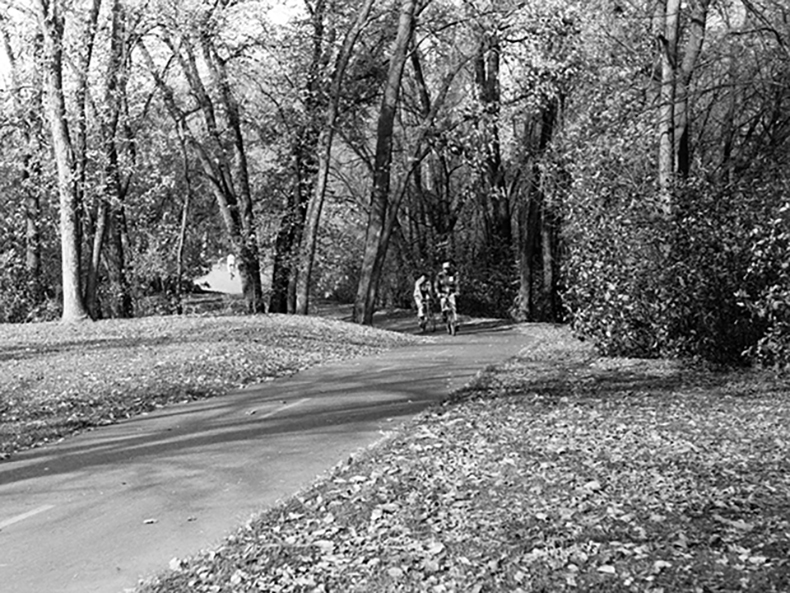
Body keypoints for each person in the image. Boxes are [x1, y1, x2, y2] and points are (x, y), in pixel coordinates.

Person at [435, 260, 459, 333]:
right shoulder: (439, 276)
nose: (447, 270)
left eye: (448, 268)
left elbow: (457, 284)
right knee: (443, 305)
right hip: (443, 293)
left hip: (451, 293)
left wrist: (457, 292)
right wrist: (438, 293)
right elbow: (436, 286)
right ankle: (445, 318)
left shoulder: (453, 275)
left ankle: (455, 322)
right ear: (443, 269)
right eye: (445, 269)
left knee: (453, 306)